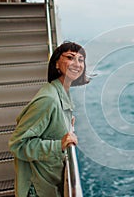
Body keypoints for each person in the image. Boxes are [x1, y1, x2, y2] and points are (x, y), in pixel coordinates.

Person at [9, 42, 89, 197]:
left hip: (48, 181)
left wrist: (66, 124)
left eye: (81, 59)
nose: (77, 64)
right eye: (70, 58)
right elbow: (17, 144)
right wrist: (59, 144)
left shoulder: (61, 91)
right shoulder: (49, 99)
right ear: (57, 64)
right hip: (37, 188)